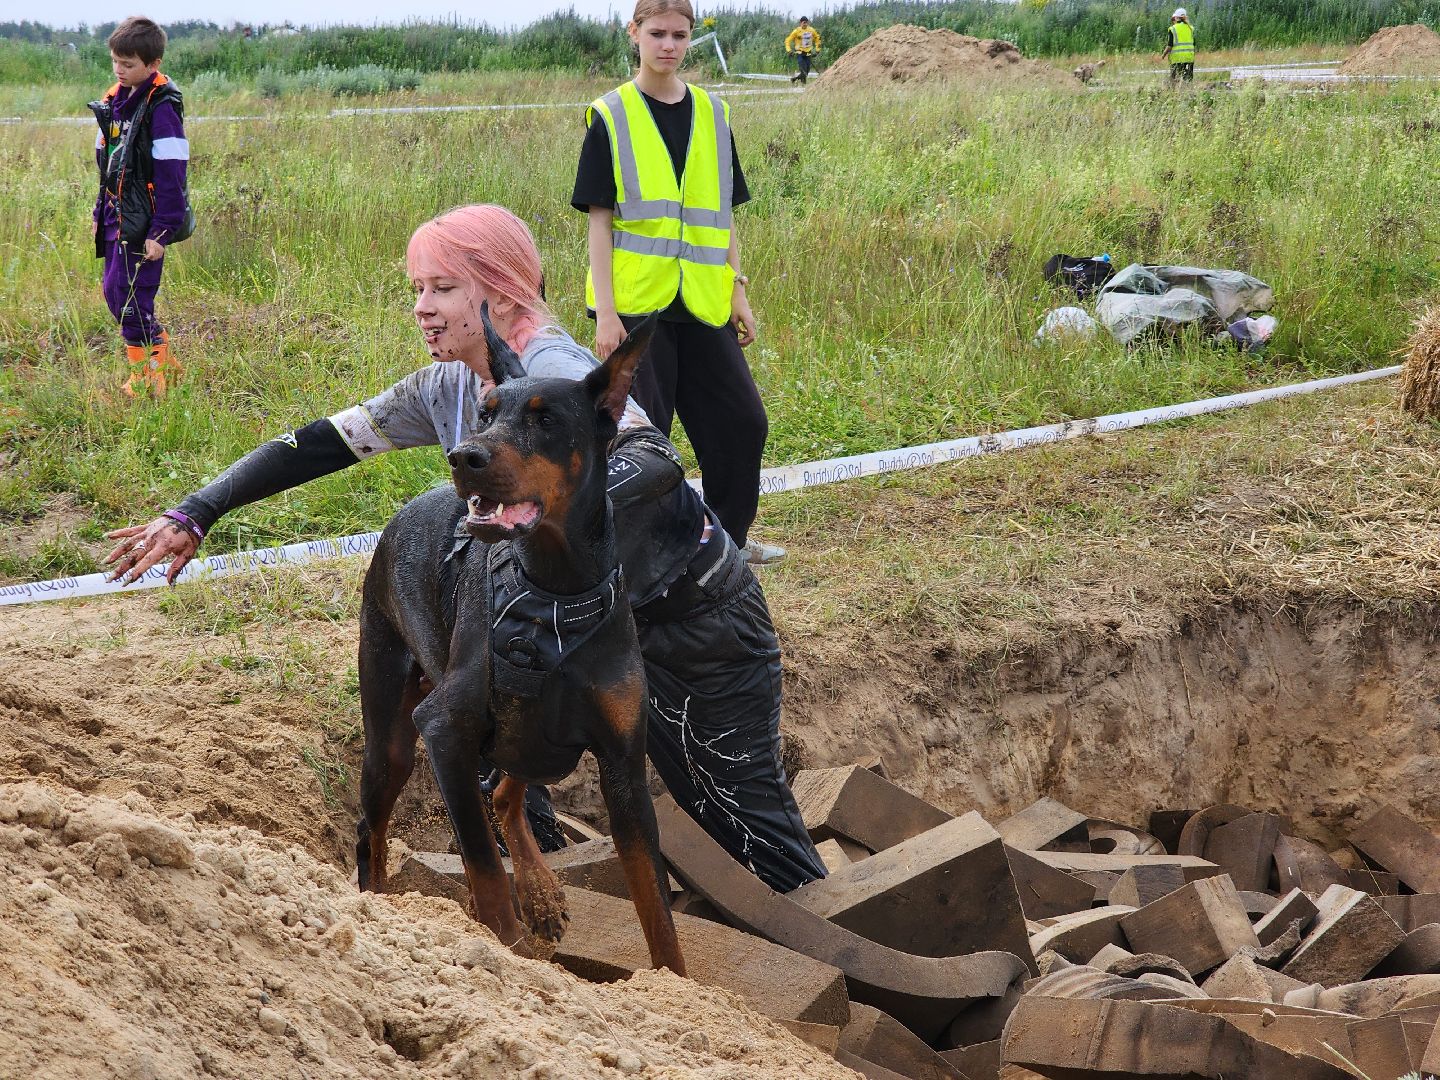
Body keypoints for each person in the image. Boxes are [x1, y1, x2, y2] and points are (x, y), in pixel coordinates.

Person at [103, 204, 827, 895]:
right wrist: (197, 512)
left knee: (742, 822)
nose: (422, 306)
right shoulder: (450, 384)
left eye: (443, 287)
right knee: (489, 725)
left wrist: (545, 502)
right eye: (417, 287)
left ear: (502, 288)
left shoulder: (552, 366)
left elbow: (655, 460)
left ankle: (854, 964)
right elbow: (318, 444)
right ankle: (561, 932)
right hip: (587, 623)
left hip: (692, 620)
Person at [574, 0, 784, 566]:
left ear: (692, 38)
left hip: (704, 302)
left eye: (680, 35)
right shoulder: (610, 115)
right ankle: (645, 562)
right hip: (637, 310)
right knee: (646, 444)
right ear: (634, 33)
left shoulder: (714, 114)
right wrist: (608, 315)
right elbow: (600, 221)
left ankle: (728, 546)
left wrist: (738, 291)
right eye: (657, 33)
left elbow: (724, 215)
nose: (668, 45)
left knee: (743, 424)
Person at [88, 16, 192, 398]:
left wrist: (161, 230)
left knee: (131, 298)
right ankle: (161, 360)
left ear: (153, 65)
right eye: (115, 61)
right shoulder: (115, 98)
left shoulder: (162, 107)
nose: (119, 70)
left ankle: (147, 376)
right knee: (114, 293)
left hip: (145, 219)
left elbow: (171, 174)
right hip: (117, 213)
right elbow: (110, 161)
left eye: (128, 64)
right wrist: (102, 211)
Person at [1160, 8, 1195, 84]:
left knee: (1174, 80)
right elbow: (1193, 43)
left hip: (1177, 59)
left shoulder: (1173, 29)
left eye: (1173, 18)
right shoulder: (1190, 28)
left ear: (1176, 17)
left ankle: (1174, 95)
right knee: (1188, 81)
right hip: (1189, 58)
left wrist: (1163, 55)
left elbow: (1169, 46)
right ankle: (1188, 94)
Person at [784, 16, 822, 85]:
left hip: (808, 53)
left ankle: (794, 79)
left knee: (806, 72)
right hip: (800, 53)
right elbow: (787, 40)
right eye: (804, 23)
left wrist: (817, 50)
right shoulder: (796, 31)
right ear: (800, 23)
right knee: (803, 71)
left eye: (806, 23)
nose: (805, 24)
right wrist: (789, 50)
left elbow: (817, 38)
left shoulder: (811, 30)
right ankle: (803, 86)